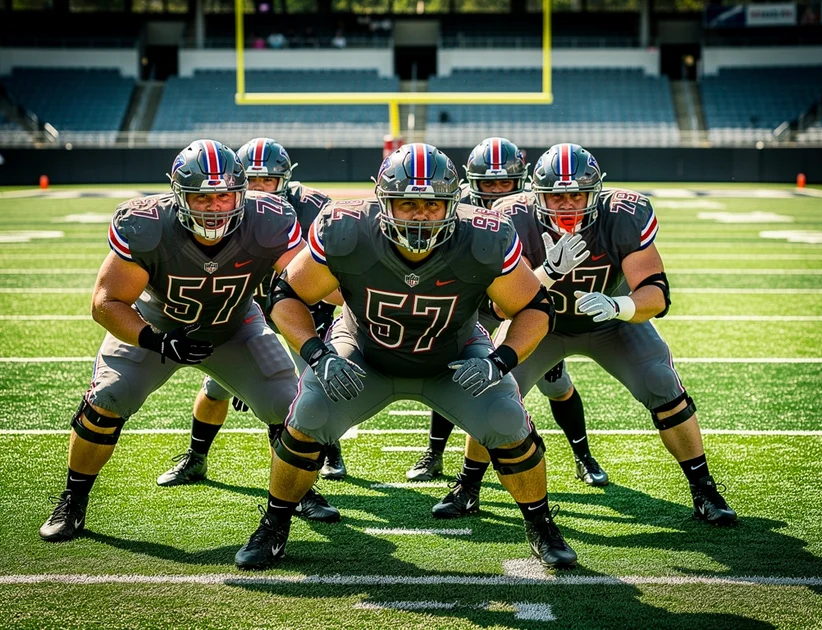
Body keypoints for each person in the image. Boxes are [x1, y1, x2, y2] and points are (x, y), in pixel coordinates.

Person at [234, 143, 577, 571]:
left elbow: (535, 308)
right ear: (382, 201)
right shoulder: (346, 228)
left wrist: (501, 360)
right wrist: (317, 353)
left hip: (452, 356)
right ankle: (275, 523)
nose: (419, 215)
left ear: (454, 204)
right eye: (407, 203)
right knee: (310, 411)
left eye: (431, 205)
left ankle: (541, 524)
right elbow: (286, 295)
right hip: (363, 351)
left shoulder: (486, 236)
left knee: (507, 419)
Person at [432, 143, 737, 526]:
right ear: (535, 193)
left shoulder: (622, 214)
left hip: (609, 322)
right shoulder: (513, 217)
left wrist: (619, 306)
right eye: (557, 196)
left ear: (596, 192)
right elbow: (502, 305)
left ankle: (704, 489)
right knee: (493, 392)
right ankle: (468, 488)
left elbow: (656, 294)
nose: (567, 205)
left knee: (661, 382)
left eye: (577, 194)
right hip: (541, 325)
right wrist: (546, 274)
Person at [39, 140, 305, 542]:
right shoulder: (146, 222)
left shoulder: (270, 217)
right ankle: (73, 500)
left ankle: (281, 516)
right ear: (179, 195)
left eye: (225, 195)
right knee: (109, 396)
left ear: (242, 191)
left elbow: (305, 284)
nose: (215, 207)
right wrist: (157, 341)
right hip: (159, 321)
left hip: (236, 323)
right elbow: (106, 302)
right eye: (201, 197)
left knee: (291, 408)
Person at [155, 138, 343, 522]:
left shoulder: (313, 208)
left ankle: (321, 460)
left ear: (285, 181)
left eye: (267, 181)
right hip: (242, 308)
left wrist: (321, 314)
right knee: (215, 388)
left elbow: (327, 270)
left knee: (314, 384)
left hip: (296, 307)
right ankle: (196, 456)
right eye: (251, 181)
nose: (259, 189)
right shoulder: (225, 210)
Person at [406, 137, 606, 491]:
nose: (498, 193)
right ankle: (434, 452)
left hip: (523, 304)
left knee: (555, 382)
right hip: (474, 306)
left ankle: (583, 455)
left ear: (524, 184)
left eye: (506, 184)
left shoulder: (532, 211)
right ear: (470, 184)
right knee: (454, 374)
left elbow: (534, 282)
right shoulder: (455, 209)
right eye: (488, 184)